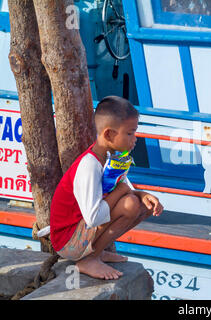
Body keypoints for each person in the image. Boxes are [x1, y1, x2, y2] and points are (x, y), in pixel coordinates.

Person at [50, 96, 163, 280]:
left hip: (82, 232)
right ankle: (89, 259)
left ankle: (97, 252)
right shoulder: (90, 165)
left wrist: (141, 194)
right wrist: (123, 191)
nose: (135, 139)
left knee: (142, 205)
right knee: (129, 205)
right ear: (109, 134)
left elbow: (121, 187)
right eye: (129, 133)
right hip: (67, 242)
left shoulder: (113, 158)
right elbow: (93, 217)